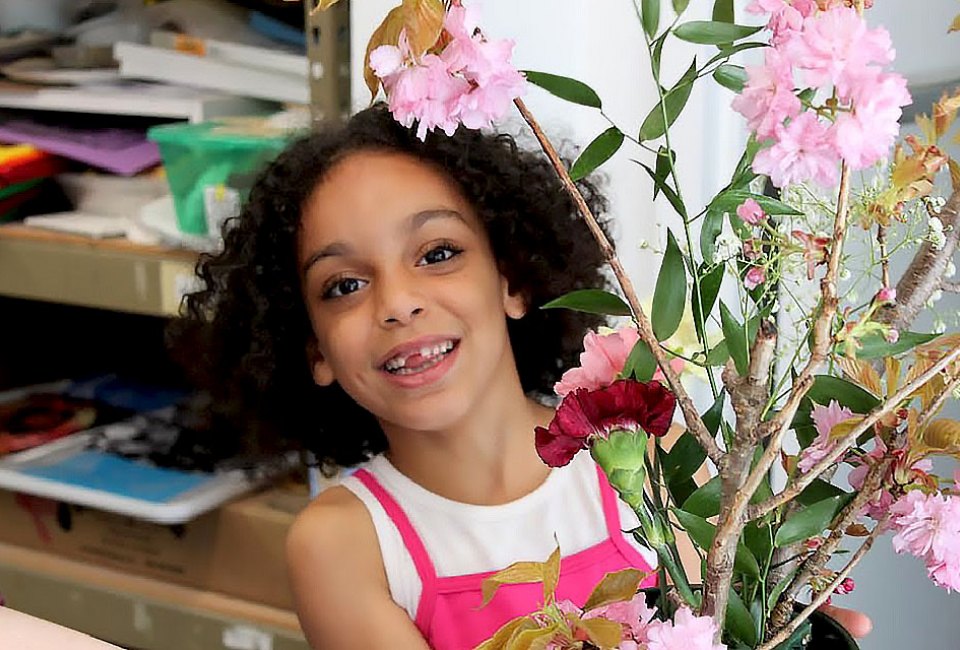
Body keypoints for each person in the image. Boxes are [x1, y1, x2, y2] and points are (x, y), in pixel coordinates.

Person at [171, 103, 871, 650]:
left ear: (512, 278)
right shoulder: (346, 545)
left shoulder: (644, 453)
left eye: (437, 252)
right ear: (311, 350)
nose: (398, 302)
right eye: (344, 286)